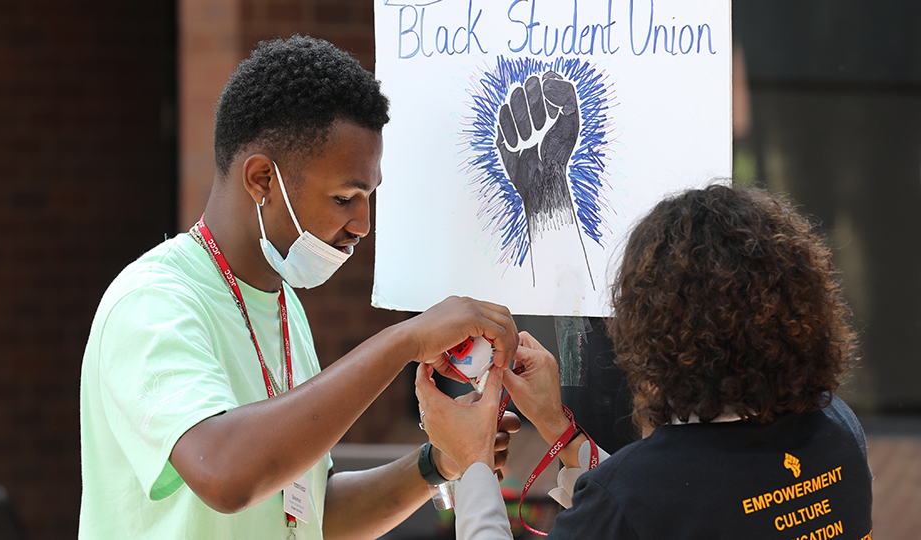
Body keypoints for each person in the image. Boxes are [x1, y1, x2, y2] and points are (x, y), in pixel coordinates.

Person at [79, 35, 521, 540]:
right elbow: (225, 476)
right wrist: (405, 340)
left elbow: (309, 514)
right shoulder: (153, 301)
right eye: (343, 197)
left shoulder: (283, 304)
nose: (362, 223)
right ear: (263, 179)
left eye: (368, 196)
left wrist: (438, 463)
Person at [416, 184, 873, 539]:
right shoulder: (837, 428)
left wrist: (473, 460)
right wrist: (560, 430)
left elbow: (652, 504)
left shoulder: (637, 494)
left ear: (655, 333)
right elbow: (680, 506)